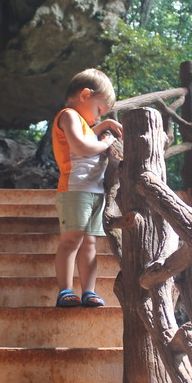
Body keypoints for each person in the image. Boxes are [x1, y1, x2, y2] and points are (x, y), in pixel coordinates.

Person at [52, 68, 123, 307]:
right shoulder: (68, 115)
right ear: (84, 95)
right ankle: (65, 290)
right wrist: (106, 142)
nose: (98, 118)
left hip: (95, 191)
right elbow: (81, 146)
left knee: (90, 243)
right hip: (74, 189)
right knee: (71, 240)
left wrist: (104, 126)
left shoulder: (82, 122)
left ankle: (89, 291)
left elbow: (87, 135)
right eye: (99, 110)